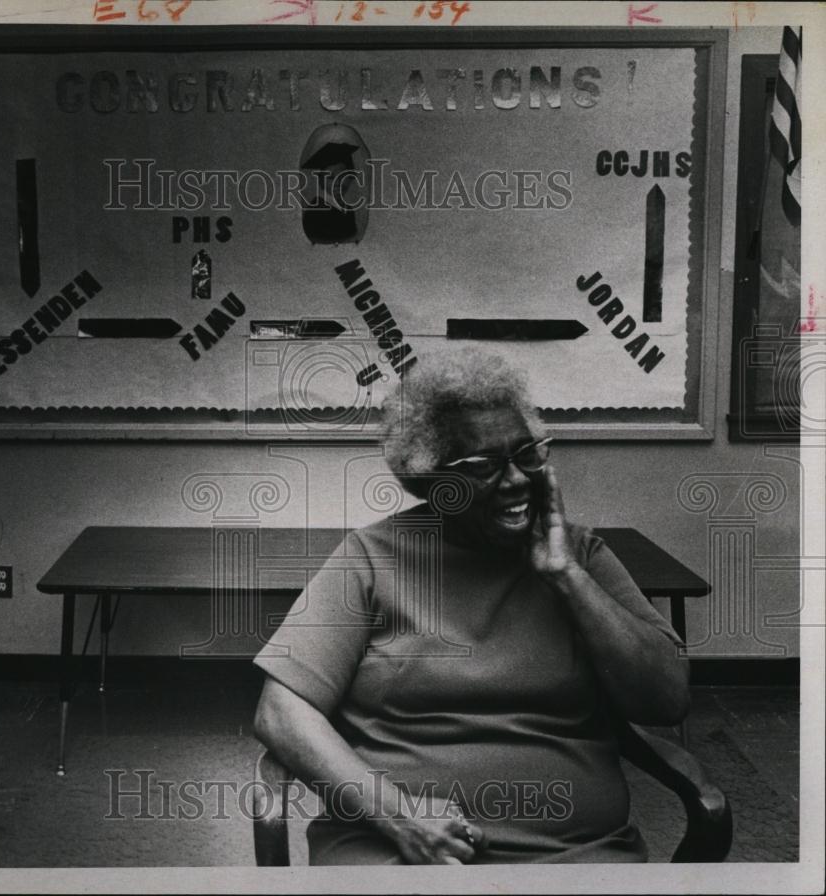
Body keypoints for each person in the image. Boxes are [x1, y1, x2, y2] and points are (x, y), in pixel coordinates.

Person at [253, 351, 690, 864]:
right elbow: (281, 711)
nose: (516, 481)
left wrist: (566, 577)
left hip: (575, 853)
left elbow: (667, 700)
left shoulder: (581, 555)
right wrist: (401, 817)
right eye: (483, 466)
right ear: (430, 479)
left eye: (527, 454)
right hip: (397, 846)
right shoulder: (370, 559)